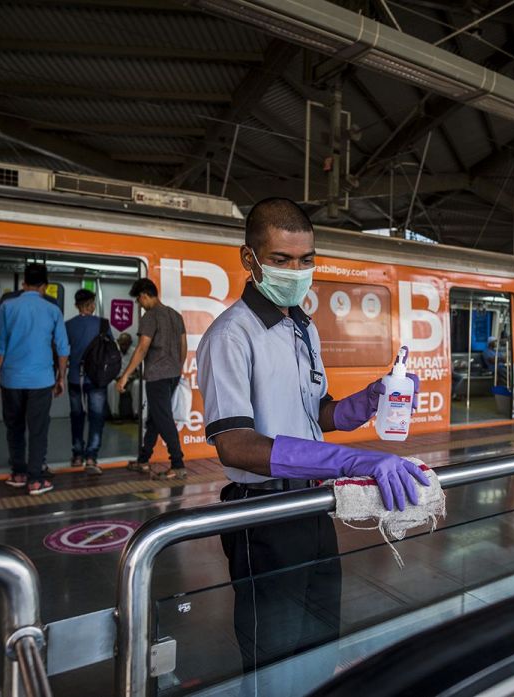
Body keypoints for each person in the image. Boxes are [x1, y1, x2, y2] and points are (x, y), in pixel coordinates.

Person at [197, 197, 428, 693]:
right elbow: (236, 445)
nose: (296, 271)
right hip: (262, 514)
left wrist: (369, 400)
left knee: (319, 639)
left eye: (305, 260)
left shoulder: (301, 327)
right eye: (281, 259)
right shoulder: (231, 336)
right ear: (250, 259)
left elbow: (317, 413)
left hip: (314, 504)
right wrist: (352, 459)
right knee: (274, 657)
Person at [0, 263, 69, 495]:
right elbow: (63, 348)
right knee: (38, 429)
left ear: (24, 284)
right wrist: (60, 377)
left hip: (11, 380)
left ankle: (18, 472)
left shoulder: (7, 306)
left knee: (13, 427)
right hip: (41, 381)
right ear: (45, 286)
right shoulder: (52, 309)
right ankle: (35, 479)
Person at [117, 279, 186, 479]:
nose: (140, 304)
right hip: (173, 374)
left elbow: (141, 348)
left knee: (162, 418)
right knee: (155, 418)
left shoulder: (150, 316)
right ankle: (143, 460)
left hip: (157, 376)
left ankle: (178, 464)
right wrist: (177, 367)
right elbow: (183, 344)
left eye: (139, 300)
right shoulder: (175, 315)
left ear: (145, 295)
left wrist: (125, 376)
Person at [65, 289, 113, 474]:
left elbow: (62, 351)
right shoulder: (102, 324)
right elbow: (111, 350)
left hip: (75, 377)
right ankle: (92, 457)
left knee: (77, 416)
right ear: (92, 304)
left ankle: (77, 455)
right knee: (96, 417)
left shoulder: (68, 325)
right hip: (97, 378)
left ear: (77, 305)